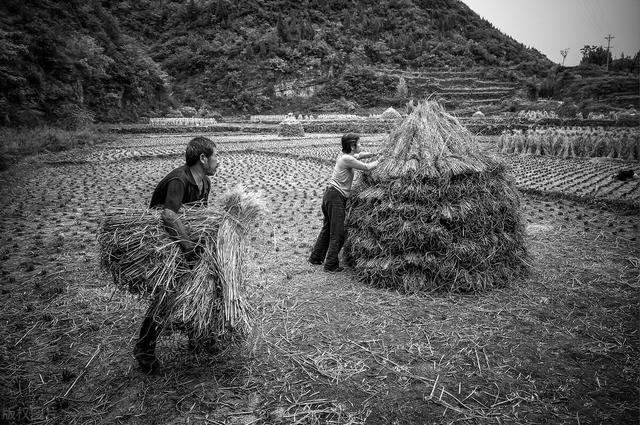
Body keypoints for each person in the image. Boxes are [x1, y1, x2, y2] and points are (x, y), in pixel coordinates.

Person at [134, 136, 219, 374]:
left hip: (187, 241)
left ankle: (198, 337)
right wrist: (189, 249)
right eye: (215, 156)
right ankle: (144, 350)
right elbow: (169, 216)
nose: (217, 162)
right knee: (166, 295)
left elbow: (199, 218)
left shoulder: (205, 184)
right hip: (165, 245)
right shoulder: (179, 181)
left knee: (202, 288)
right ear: (203, 158)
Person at [309, 133, 380, 272]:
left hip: (330, 195)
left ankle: (316, 257)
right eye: (359, 144)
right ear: (352, 145)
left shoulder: (345, 156)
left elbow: (360, 156)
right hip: (335, 197)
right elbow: (367, 167)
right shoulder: (347, 159)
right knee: (338, 232)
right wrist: (381, 160)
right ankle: (330, 265)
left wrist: (374, 152)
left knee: (328, 227)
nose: (360, 145)